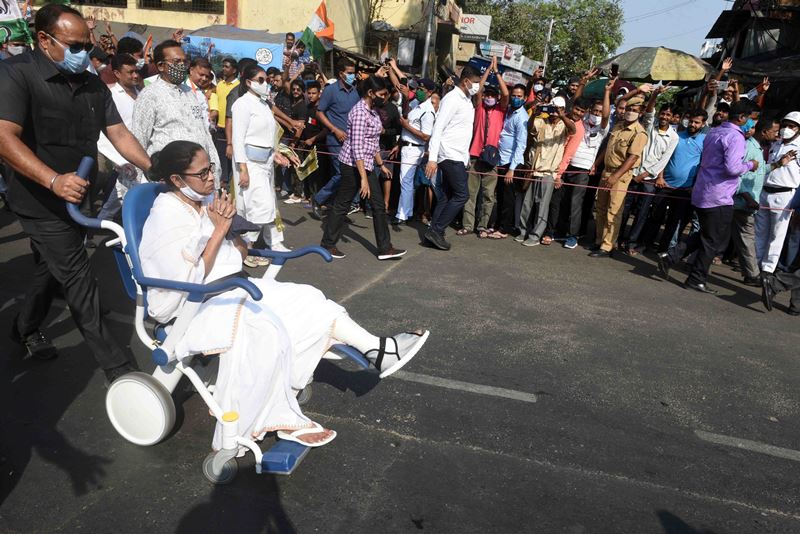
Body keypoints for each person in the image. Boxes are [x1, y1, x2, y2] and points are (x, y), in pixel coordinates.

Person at [140, 141, 429, 450]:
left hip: (231, 287)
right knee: (265, 327)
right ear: (177, 180)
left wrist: (230, 230)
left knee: (308, 298)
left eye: (210, 168)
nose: (211, 177)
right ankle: (266, 420)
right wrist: (220, 230)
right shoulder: (166, 217)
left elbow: (240, 252)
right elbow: (184, 281)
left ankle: (378, 350)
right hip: (195, 303)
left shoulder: (207, 201)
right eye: (202, 173)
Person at [0, 4, 150, 381]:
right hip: (38, 199)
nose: (84, 52)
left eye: (87, 44)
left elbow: (118, 132)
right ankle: (121, 371)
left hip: (79, 197)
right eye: (74, 44)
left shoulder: (92, 84)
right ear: (44, 40)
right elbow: (3, 138)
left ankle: (24, 327)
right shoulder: (16, 75)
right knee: (80, 278)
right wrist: (52, 180)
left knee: (52, 268)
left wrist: (156, 169)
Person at [657, 100, 760, 293]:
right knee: (712, 240)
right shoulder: (735, 137)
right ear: (742, 118)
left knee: (706, 234)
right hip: (719, 195)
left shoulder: (715, 132)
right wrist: (751, 165)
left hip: (704, 191)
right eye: (752, 120)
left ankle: (671, 257)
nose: (752, 125)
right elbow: (732, 168)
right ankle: (696, 278)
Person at [320, 76, 406, 261]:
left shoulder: (373, 112)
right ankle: (327, 243)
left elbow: (373, 142)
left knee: (378, 206)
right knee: (343, 204)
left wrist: (381, 165)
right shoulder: (359, 112)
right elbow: (357, 147)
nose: (384, 97)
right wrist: (364, 179)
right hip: (352, 165)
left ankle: (385, 248)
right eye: (381, 94)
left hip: (366, 164)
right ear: (370, 93)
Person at [131, 39, 221, 186]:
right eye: (176, 61)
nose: (182, 66)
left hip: (200, 177)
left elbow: (204, 133)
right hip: (169, 179)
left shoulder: (189, 93)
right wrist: (139, 182)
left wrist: (215, 170)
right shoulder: (150, 95)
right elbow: (139, 139)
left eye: (184, 62)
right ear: (161, 66)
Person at [424, 65, 483, 251]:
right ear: (465, 81)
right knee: (462, 195)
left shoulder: (467, 100)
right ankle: (438, 229)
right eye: (475, 83)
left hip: (459, 155)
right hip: (448, 154)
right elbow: (438, 128)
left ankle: (434, 231)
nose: (477, 86)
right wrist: (432, 158)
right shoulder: (451, 99)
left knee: (447, 196)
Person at [549, 85, 612, 249]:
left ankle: (573, 235)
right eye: (595, 111)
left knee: (576, 204)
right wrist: (583, 82)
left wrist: (606, 92)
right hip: (568, 165)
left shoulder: (602, 129)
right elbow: (575, 103)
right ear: (589, 110)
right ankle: (560, 231)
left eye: (599, 112)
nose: (597, 114)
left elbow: (606, 115)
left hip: (583, 170)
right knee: (563, 201)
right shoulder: (581, 121)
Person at [617, 89, 679, 255]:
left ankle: (631, 242)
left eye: (668, 115)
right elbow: (650, 112)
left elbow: (663, 161)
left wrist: (643, 176)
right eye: (663, 113)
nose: (665, 117)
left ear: (672, 118)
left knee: (642, 213)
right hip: (633, 172)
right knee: (625, 208)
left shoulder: (673, 137)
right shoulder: (649, 126)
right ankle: (618, 238)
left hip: (648, 179)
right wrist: (654, 95)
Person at [641, 109, 708, 253]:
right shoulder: (677, 136)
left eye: (697, 122)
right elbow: (664, 158)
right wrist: (660, 177)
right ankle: (644, 244)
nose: (693, 124)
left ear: (703, 124)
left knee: (674, 221)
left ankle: (663, 250)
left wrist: (695, 186)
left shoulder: (704, 141)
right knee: (655, 217)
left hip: (685, 189)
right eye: (691, 121)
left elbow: (703, 166)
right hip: (665, 185)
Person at [589, 97, 648, 258]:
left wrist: (615, 176)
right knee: (600, 208)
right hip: (606, 171)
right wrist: (597, 163)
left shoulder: (639, 133)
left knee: (613, 211)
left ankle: (607, 246)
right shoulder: (619, 126)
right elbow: (608, 148)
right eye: (629, 109)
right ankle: (599, 240)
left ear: (641, 112)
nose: (630, 112)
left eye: (635, 110)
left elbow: (632, 158)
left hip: (620, 176)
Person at [517, 96, 575, 246]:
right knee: (527, 203)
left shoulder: (565, 125)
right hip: (534, 168)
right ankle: (523, 231)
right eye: (552, 108)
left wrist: (562, 115)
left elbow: (573, 130)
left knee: (542, 205)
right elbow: (530, 128)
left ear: (563, 110)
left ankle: (536, 236)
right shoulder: (541, 121)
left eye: (558, 109)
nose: (554, 112)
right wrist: (534, 115)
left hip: (549, 171)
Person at [460, 57, 509, 237]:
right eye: (487, 95)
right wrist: (488, 69)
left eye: (492, 95)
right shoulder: (479, 107)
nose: (489, 97)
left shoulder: (500, 110)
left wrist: (497, 72)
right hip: (475, 155)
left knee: (488, 195)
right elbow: (478, 89)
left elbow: (506, 95)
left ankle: (482, 226)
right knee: (470, 193)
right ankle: (468, 225)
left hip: (492, 158)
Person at [95, 53, 142, 222]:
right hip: (122, 156)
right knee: (117, 195)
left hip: (140, 154)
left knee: (125, 195)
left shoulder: (142, 93)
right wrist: (118, 159)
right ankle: (95, 226)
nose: (135, 75)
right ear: (117, 73)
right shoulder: (111, 96)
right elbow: (105, 134)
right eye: (130, 72)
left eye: (136, 71)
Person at [755, 111, 800, 280]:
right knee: (760, 232)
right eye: (785, 125)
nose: (786, 129)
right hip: (766, 191)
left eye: (792, 126)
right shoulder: (776, 143)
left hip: (785, 194)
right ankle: (755, 267)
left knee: (777, 235)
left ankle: (768, 270)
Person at [313, 59, 360, 213]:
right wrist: (334, 129)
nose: (353, 76)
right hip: (335, 140)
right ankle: (319, 198)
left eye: (354, 73)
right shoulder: (330, 90)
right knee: (341, 173)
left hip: (352, 140)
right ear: (341, 74)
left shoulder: (356, 91)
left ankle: (335, 205)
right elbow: (319, 112)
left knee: (347, 174)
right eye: (350, 73)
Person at [732, 116, 770, 286]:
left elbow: (759, 170)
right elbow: (737, 173)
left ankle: (675, 256)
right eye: (775, 131)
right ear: (765, 132)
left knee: (716, 235)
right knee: (745, 238)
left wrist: (777, 165)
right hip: (741, 203)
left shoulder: (758, 149)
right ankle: (752, 275)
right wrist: (748, 197)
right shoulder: (748, 147)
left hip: (744, 203)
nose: (778, 135)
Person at [394, 78, 437, 225]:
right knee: (406, 181)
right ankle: (407, 211)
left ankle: (402, 214)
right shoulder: (416, 105)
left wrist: (407, 127)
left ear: (430, 92)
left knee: (405, 181)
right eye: (417, 88)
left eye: (422, 90)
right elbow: (406, 114)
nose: (418, 91)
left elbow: (426, 136)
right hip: (406, 145)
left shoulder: (428, 111)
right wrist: (406, 98)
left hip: (414, 147)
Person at [492, 83, 529, 238]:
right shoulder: (508, 111)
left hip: (511, 163)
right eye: (513, 95)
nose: (515, 98)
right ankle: (498, 224)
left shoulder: (522, 118)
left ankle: (504, 229)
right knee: (500, 195)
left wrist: (512, 169)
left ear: (525, 98)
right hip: (501, 159)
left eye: (519, 96)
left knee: (508, 198)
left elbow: (521, 145)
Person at [214, 57, 239, 186]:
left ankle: (230, 185)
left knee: (231, 160)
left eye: (227, 66)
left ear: (234, 70)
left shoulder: (238, 86)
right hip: (219, 127)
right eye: (223, 66)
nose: (223, 68)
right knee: (220, 158)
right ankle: (222, 184)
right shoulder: (219, 85)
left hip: (232, 128)